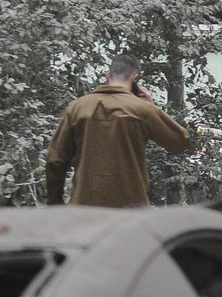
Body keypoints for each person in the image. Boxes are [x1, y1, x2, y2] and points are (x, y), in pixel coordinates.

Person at [46, 53, 191, 208]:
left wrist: (56, 204)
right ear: (134, 77)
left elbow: (55, 160)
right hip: (130, 208)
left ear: (107, 75)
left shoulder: (78, 108)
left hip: (85, 207)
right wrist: (152, 106)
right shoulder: (142, 110)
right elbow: (180, 141)